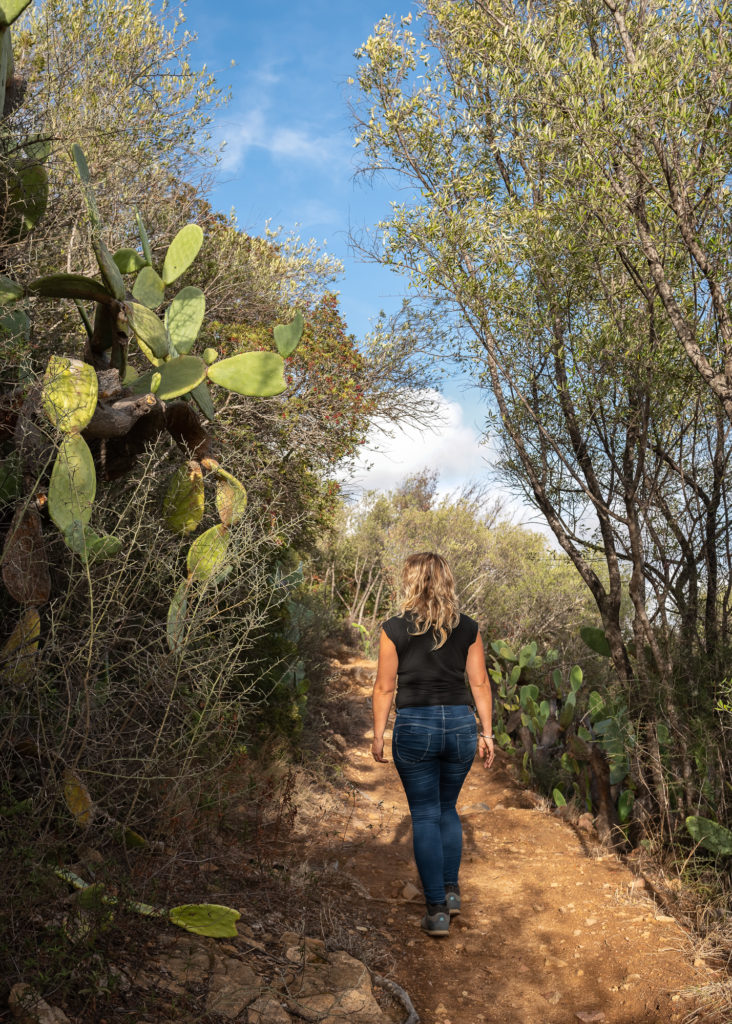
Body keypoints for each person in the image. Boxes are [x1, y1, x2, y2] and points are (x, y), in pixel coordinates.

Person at [370, 551, 494, 937]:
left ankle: (437, 910)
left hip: (415, 726)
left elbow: (385, 686)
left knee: (424, 815)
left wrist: (378, 733)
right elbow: (480, 684)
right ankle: (452, 893)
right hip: (459, 725)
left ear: (411, 581)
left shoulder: (393, 629)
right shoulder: (468, 628)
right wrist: (486, 732)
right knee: (447, 810)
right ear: (446, 581)